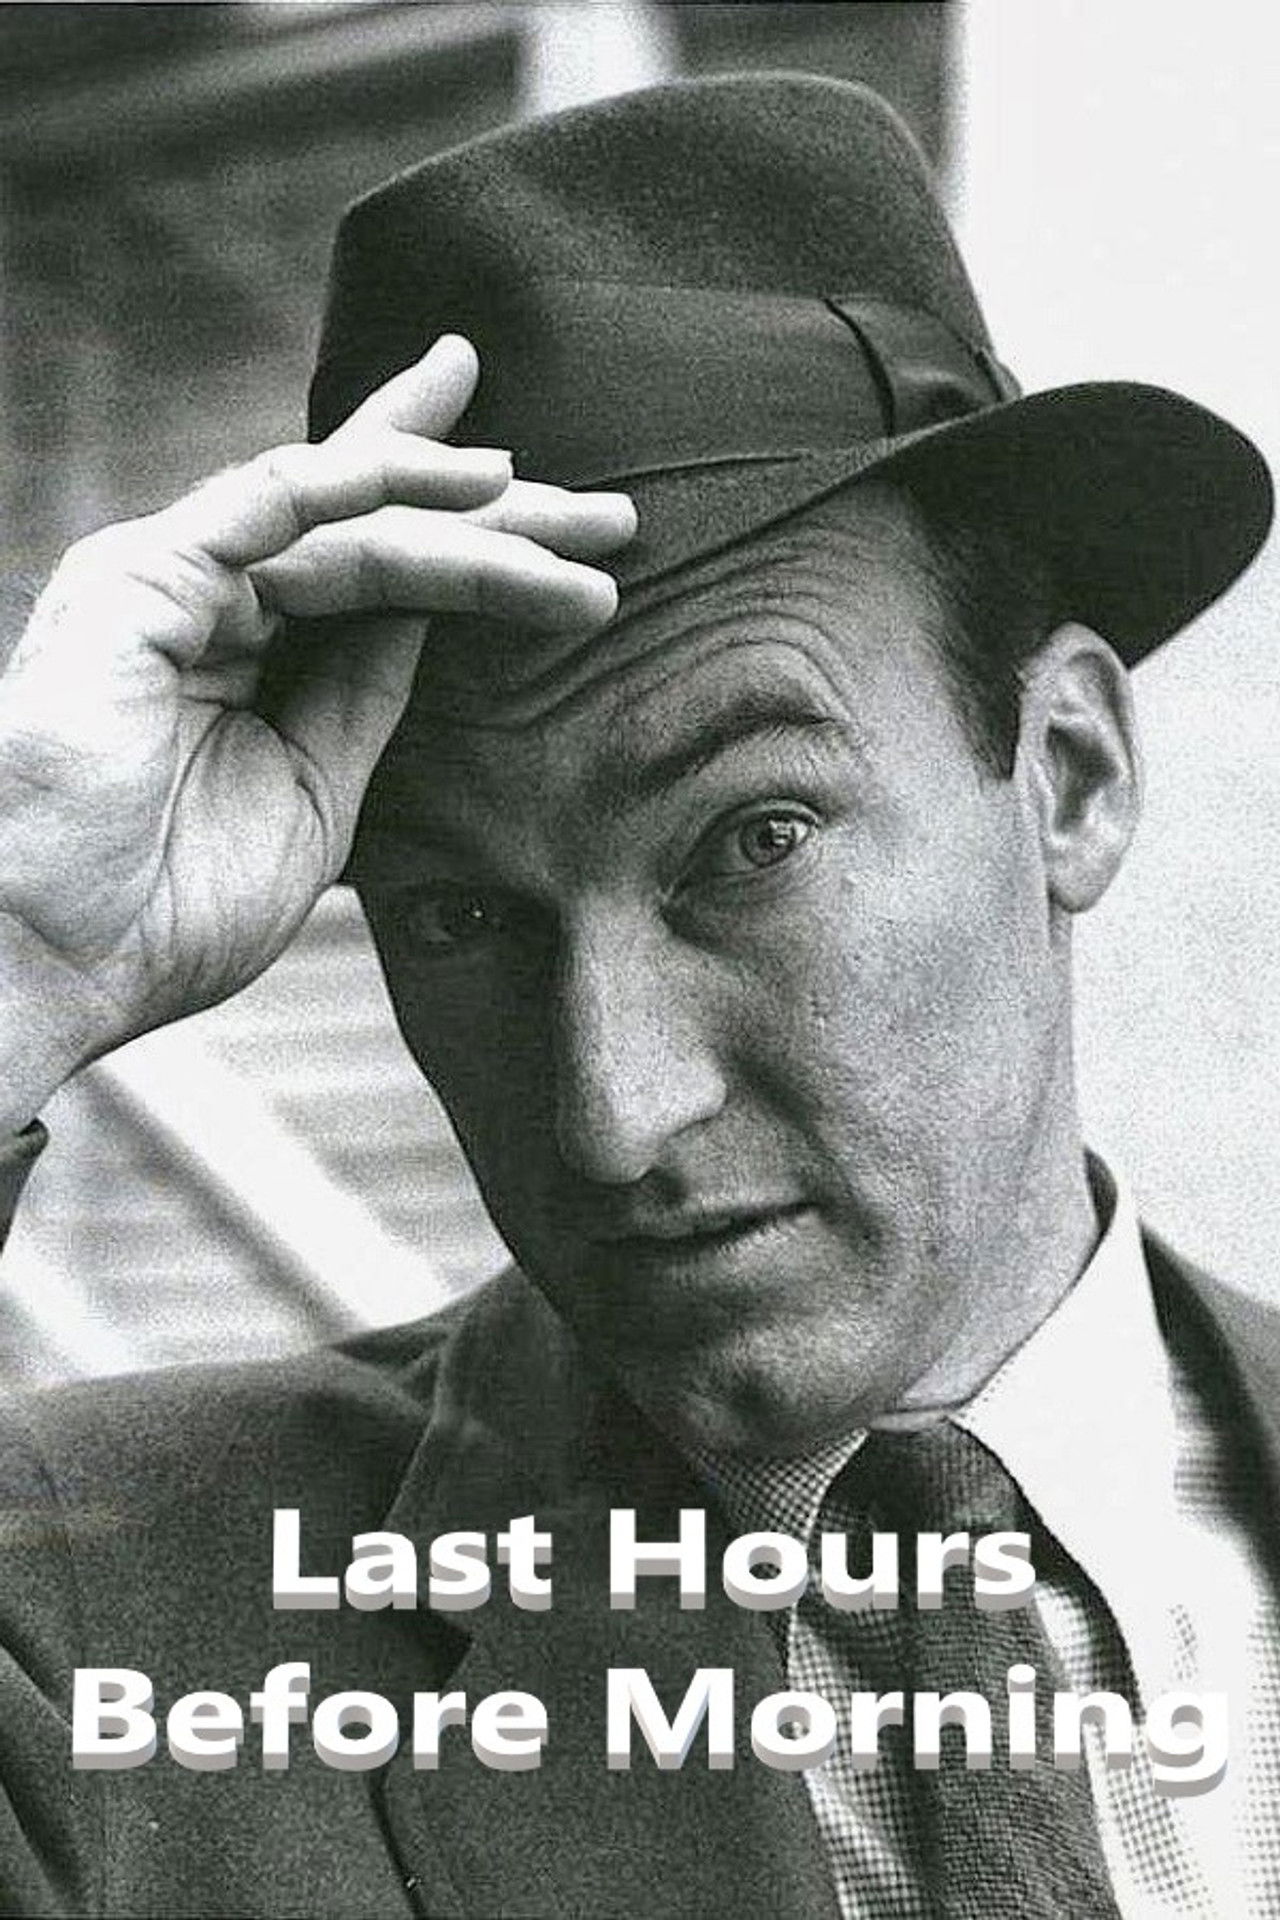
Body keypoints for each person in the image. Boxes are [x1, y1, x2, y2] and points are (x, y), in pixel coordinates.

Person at [0, 70, 1275, 1920]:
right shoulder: (94, 1623)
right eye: (457, 917)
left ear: (1069, 776)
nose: (612, 1112)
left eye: (752, 841)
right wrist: (21, 956)